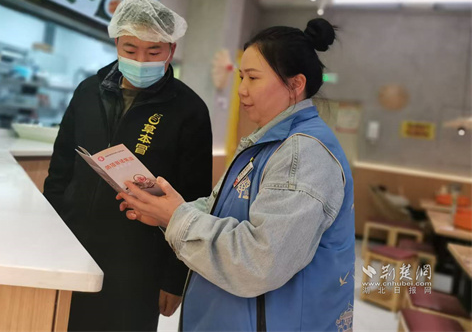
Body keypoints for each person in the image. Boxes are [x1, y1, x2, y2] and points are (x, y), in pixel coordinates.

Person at [118, 18, 356, 331]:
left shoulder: (304, 153)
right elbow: (221, 210)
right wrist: (166, 208)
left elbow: (260, 261)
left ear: (296, 85)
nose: (241, 90)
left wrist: (177, 218)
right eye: (242, 77)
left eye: (253, 78)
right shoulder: (270, 142)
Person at [43, 0, 213, 331]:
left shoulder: (189, 110)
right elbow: (60, 171)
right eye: (131, 49)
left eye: (153, 52)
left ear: (171, 51)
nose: (140, 60)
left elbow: (194, 200)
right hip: (75, 248)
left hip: (139, 264)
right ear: (117, 43)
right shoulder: (88, 92)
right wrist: (49, 238)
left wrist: (174, 278)